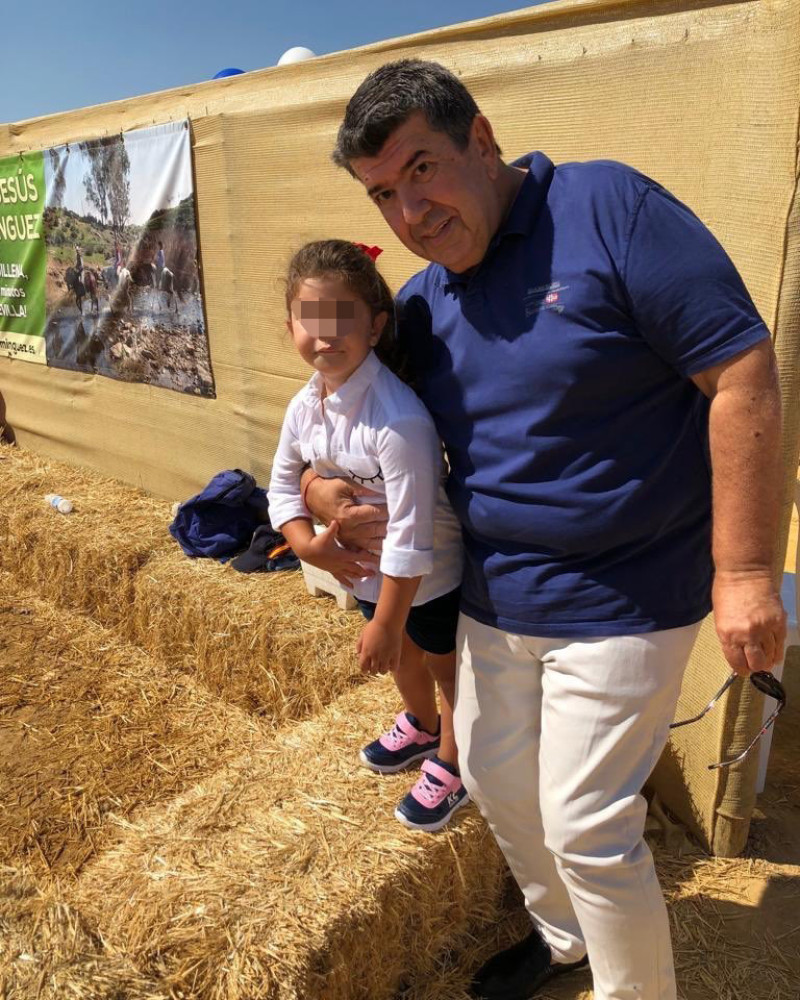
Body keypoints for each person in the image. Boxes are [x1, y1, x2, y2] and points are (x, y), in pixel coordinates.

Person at [301, 59, 786, 1000]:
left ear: (481, 141)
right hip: (493, 593)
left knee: (586, 823)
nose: (410, 213)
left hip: (626, 592)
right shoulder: (422, 305)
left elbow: (742, 373)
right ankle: (565, 941)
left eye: (423, 170)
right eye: (384, 194)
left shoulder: (610, 209)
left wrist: (748, 570)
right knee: (489, 773)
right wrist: (319, 492)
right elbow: (340, 407)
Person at [267, 238, 468, 832]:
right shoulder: (303, 407)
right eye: (311, 320)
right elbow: (280, 484)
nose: (325, 336)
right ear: (291, 326)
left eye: (342, 319)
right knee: (403, 658)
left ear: (376, 326)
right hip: (361, 570)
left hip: (428, 578)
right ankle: (420, 727)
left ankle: (454, 766)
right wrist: (308, 546)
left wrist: (386, 618)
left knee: (443, 662)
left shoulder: (398, 419)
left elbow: (411, 536)